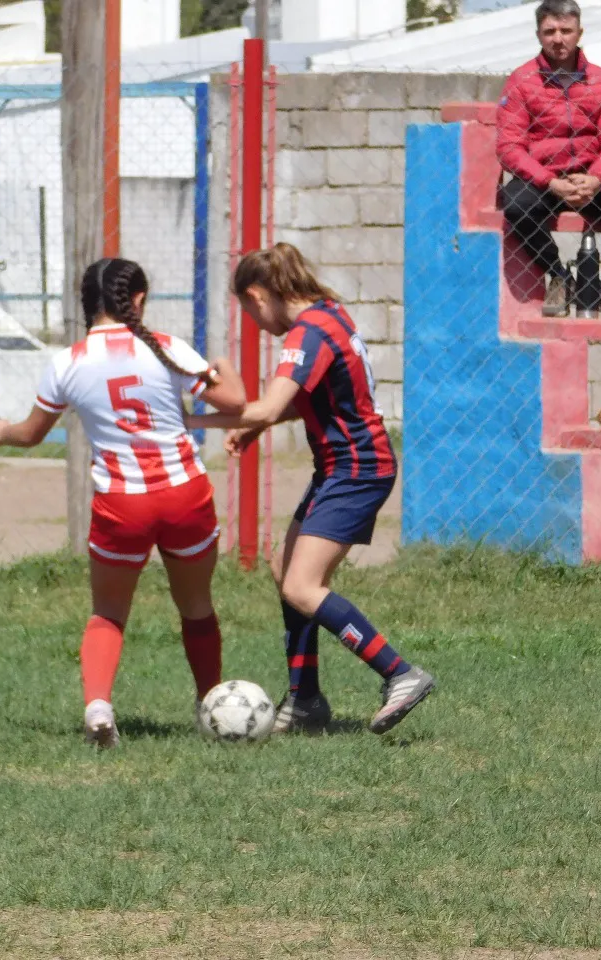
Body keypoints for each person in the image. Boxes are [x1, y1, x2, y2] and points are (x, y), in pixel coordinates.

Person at [0, 258, 245, 747]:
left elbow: (31, 434)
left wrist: (0, 432)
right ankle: (212, 706)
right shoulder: (167, 349)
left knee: (107, 612)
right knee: (196, 606)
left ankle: (99, 708)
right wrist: (223, 365)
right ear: (138, 300)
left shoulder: (69, 362)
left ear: (87, 303)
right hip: (184, 493)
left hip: (122, 503)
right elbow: (232, 401)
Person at [188, 243, 436, 736]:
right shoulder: (329, 315)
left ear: (259, 295)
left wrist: (187, 419)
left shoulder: (307, 332)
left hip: (356, 469)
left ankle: (400, 674)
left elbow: (263, 405)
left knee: (302, 587)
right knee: (284, 569)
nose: (255, 324)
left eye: (249, 311)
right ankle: (304, 702)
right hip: (343, 466)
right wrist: (258, 426)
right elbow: (309, 399)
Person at [496, 0, 601, 317]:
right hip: (544, 181)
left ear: (579, 32)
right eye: (550, 31)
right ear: (539, 35)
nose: (558, 38)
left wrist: (596, 178)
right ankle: (559, 275)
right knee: (516, 205)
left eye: (566, 30)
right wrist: (549, 181)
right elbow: (508, 146)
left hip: (591, 181)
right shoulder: (522, 80)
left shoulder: (600, 81)